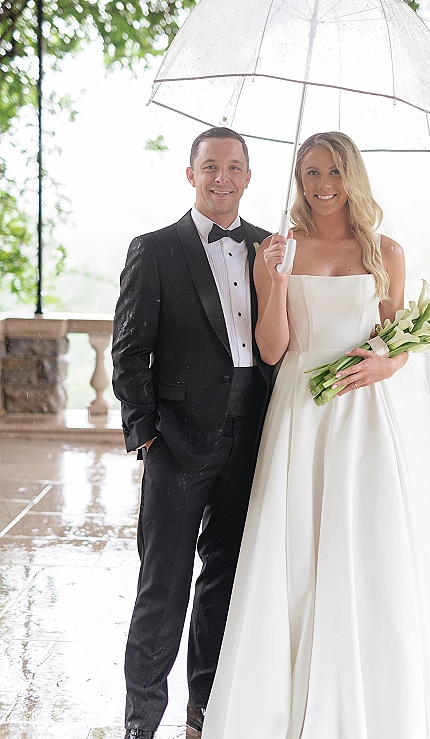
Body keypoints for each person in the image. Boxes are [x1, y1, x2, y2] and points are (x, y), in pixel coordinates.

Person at [203, 131, 430, 738]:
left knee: (367, 537)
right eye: (311, 173)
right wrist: (273, 279)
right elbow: (273, 349)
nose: (323, 185)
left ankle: (377, 691)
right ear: (298, 181)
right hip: (301, 410)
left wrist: (384, 364)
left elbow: (397, 342)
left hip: (364, 413)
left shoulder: (387, 252)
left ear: (353, 177)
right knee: (295, 542)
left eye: (334, 172)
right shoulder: (277, 250)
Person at [111, 127, 274, 739]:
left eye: (233, 167)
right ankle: (141, 721)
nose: (222, 178)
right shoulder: (154, 249)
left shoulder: (270, 248)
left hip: (252, 440)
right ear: (191, 174)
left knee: (224, 582)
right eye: (210, 167)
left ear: (249, 177)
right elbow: (129, 351)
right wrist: (146, 434)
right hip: (176, 444)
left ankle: (204, 709)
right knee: (163, 586)